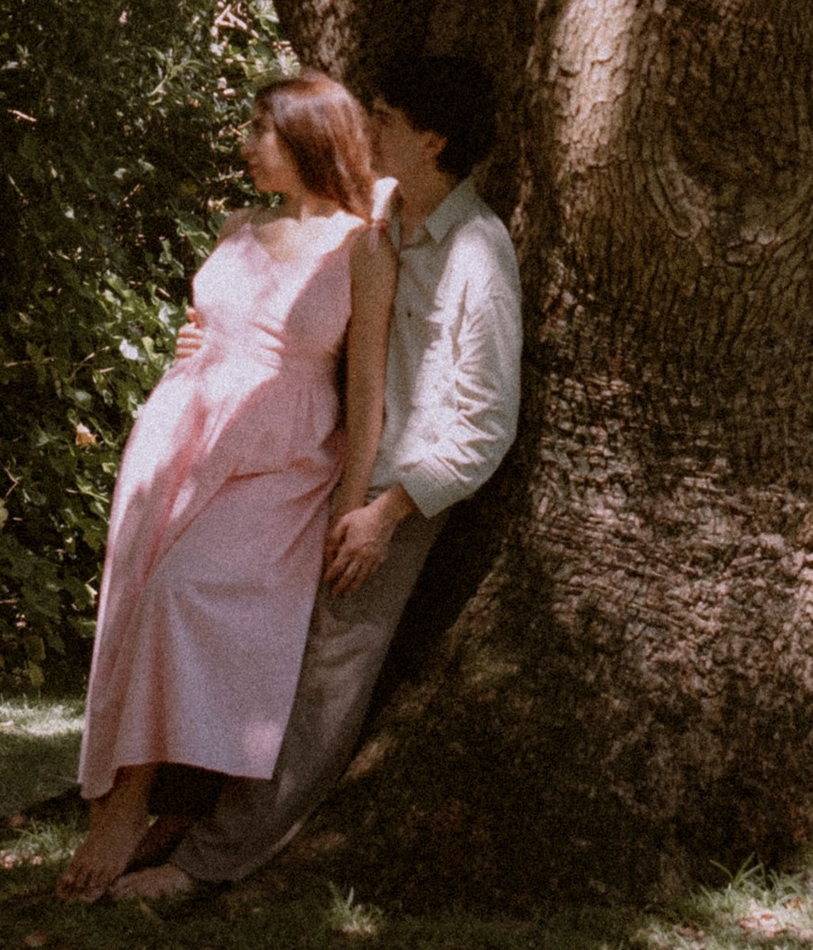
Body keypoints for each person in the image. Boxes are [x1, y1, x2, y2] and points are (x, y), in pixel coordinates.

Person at [116, 45, 520, 901]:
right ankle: (185, 805)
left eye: (385, 121)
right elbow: (292, 264)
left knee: (325, 674)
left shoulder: (479, 255)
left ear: (434, 139)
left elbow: (485, 423)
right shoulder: (385, 213)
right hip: (324, 468)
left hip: (398, 492)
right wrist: (210, 339)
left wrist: (385, 513)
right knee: (246, 629)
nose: (364, 129)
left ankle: (206, 864)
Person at [57, 70, 398, 903]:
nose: (245, 144)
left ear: (312, 138)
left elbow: (366, 391)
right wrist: (196, 346)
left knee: (184, 590)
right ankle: (137, 796)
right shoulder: (238, 223)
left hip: (283, 458)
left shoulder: (362, 245)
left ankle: (134, 799)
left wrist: (353, 503)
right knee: (140, 595)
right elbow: (221, 324)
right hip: (184, 432)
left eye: (262, 129)